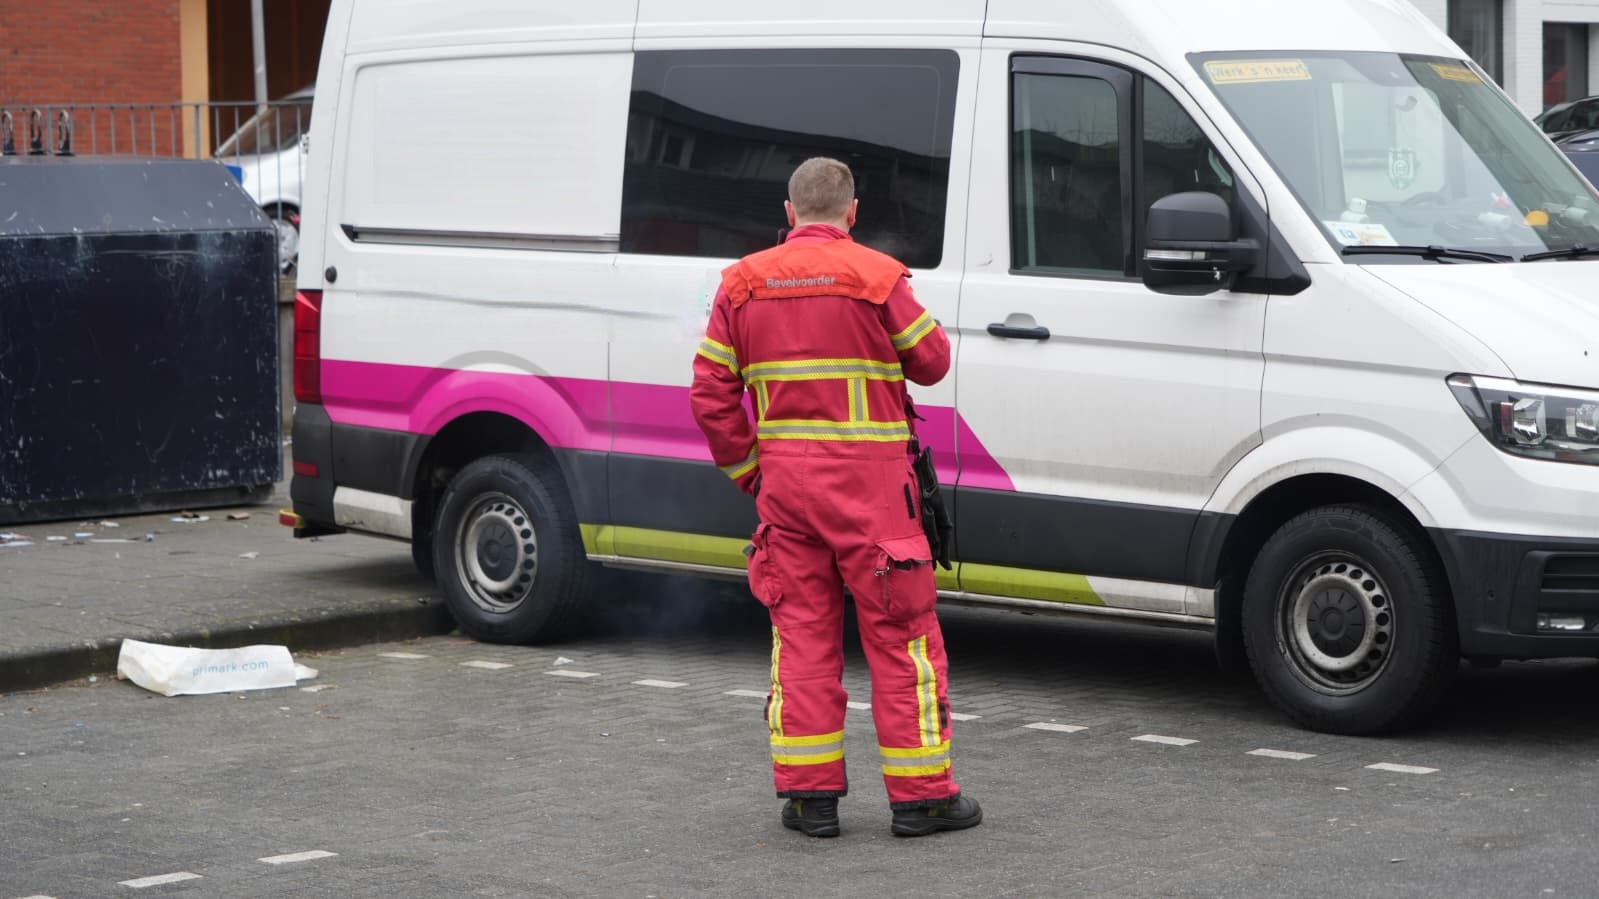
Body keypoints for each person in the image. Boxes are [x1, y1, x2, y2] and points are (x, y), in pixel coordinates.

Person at [690, 157, 982, 838]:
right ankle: (922, 799)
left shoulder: (739, 285)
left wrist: (749, 472)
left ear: (788, 214)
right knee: (901, 638)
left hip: (786, 493)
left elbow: (709, 394)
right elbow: (933, 363)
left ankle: (808, 799)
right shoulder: (878, 278)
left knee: (801, 640)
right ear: (852, 214)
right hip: (874, 494)